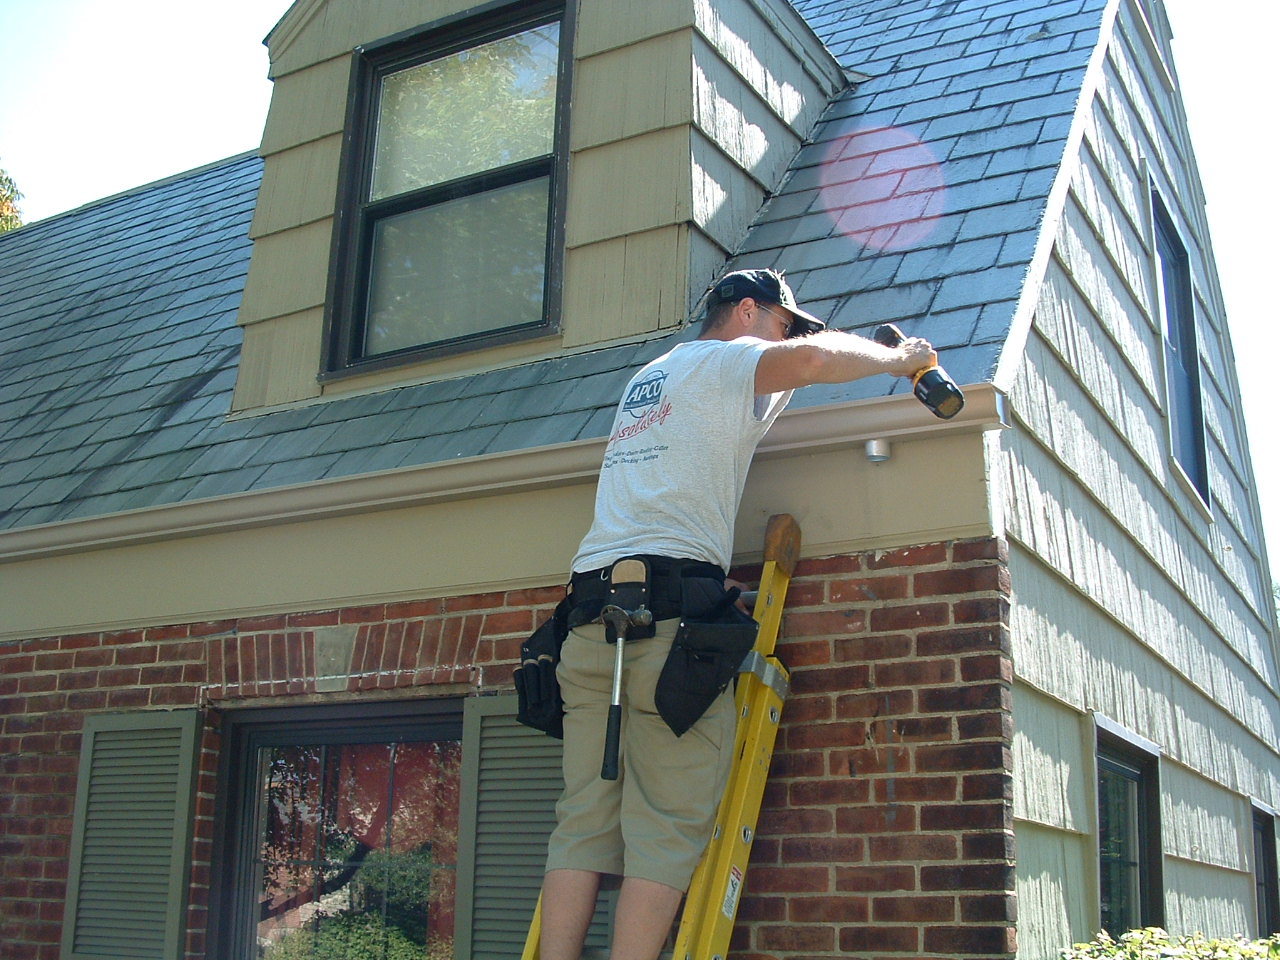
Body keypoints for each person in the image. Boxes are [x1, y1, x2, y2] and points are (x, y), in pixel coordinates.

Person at [539, 268, 937, 960]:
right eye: (782, 325)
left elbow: (789, 372)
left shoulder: (651, 380)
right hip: (667, 628)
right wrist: (902, 361)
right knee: (665, 829)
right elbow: (811, 363)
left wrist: (814, 345)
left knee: (584, 822)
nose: (787, 341)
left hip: (589, 621)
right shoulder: (724, 362)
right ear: (746, 310)